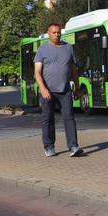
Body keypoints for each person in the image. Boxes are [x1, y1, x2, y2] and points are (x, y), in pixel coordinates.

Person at [34, 23, 82, 157]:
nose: (57, 34)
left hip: (65, 90)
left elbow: (73, 70)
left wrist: (77, 88)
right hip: (47, 91)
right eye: (54, 32)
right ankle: (49, 146)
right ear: (48, 34)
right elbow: (37, 72)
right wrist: (43, 89)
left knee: (69, 117)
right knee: (48, 119)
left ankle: (73, 146)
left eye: (59, 32)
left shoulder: (68, 48)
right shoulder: (42, 50)